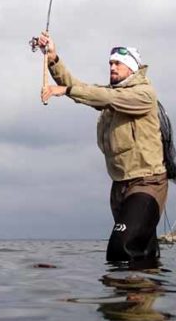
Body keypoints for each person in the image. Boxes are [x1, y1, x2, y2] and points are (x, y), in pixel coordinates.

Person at [36, 31, 167, 265]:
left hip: (147, 183)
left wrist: (64, 91)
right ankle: (143, 298)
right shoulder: (110, 94)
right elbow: (82, 89)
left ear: (132, 68)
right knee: (145, 256)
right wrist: (53, 59)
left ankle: (126, 298)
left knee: (120, 250)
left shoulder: (144, 94)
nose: (112, 67)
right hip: (119, 187)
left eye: (118, 63)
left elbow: (101, 96)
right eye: (110, 63)